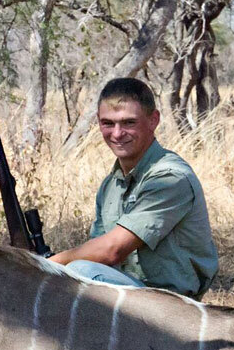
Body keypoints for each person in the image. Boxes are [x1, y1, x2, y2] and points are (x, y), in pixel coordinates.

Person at [50, 78, 218, 299]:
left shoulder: (170, 177)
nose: (117, 134)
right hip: (134, 294)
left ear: (153, 120)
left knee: (81, 271)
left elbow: (112, 251)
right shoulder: (111, 184)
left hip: (175, 306)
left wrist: (45, 265)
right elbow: (99, 251)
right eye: (108, 123)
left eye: (129, 123)